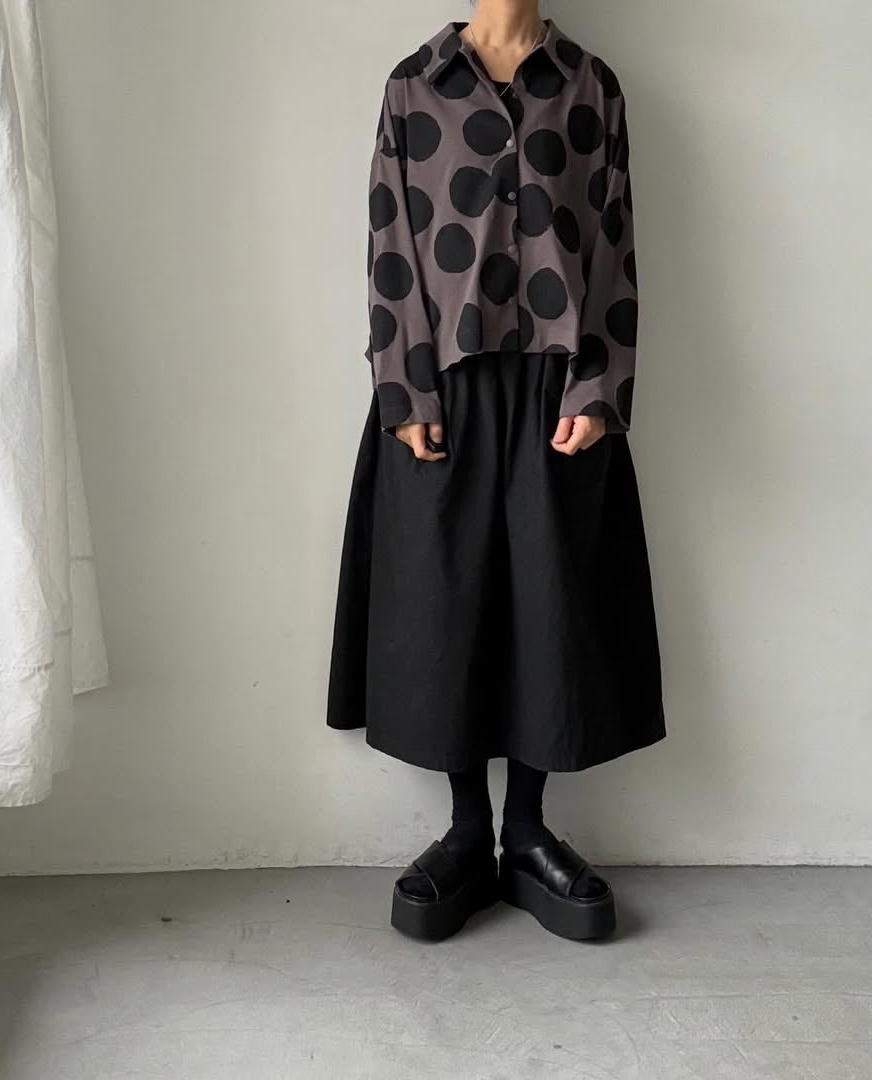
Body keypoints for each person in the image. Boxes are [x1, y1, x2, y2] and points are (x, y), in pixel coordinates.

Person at [327, 0, 665, 942]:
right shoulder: (414, 87)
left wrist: (599, 387)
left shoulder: (592, 87)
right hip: (445, 386)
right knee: (447, 606)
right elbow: (391, 248)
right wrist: (404, 393)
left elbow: (614, 245)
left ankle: (527, 831)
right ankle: (467, 830)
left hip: (559, 389)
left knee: (550, 605)